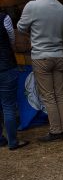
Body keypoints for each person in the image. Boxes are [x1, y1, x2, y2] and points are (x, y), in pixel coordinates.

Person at [17, 0, 63, 142]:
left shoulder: (32, 6)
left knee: (48, 96)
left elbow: (21, 27)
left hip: (41, 56)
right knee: (60, 94)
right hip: (58, 55)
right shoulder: (61, 7)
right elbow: (61, 33)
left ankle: (55, 131)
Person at [0, 10, 29, 150]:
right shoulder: (4, 18)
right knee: (8, 106)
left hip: (5, 66)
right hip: (6, 66)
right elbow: (12, 39)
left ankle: (0, 139)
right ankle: (13, 141)